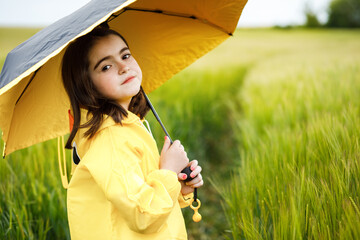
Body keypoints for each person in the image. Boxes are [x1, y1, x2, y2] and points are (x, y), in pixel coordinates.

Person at [61, 26, 204, 240]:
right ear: (87, 84)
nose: (123, 67)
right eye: (106, 66)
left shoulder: (126, 126)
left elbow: (139, 190)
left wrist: (178, 181)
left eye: (125, 55)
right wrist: (168, 171)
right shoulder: (110, 139)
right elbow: (142, 214)